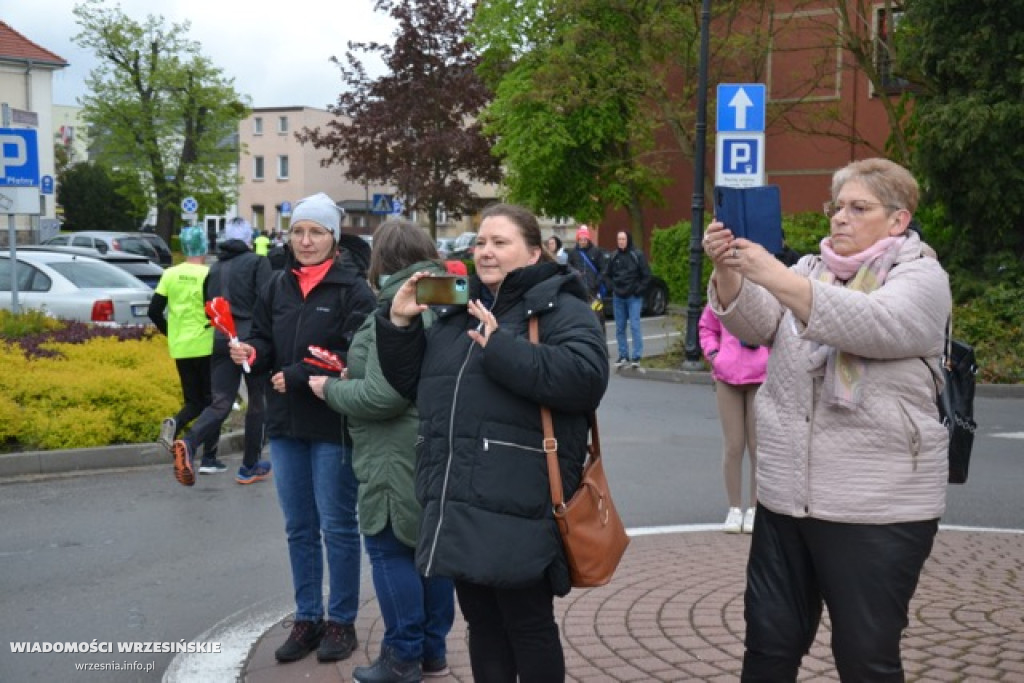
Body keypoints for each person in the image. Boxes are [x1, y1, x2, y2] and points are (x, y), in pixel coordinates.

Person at [703, 158, 951, 681]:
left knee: (864, 658)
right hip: (786, 499)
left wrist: (770, 272)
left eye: (859, 208)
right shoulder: (809, 270)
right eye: (837, 206)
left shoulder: (921, 277)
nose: (840, 218)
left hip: (877, 509)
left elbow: (872, 323)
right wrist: (729, 269)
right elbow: (756, 323)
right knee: (768, 648)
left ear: (898, 220)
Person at [375, 203, 609, 682]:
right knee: (481, 623)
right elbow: (415, 383)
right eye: (480, 242)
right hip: (457, 493)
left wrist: (501, 347)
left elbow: (585, 380)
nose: (485, 251)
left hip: (521, 498)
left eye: (499, 243)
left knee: (528, 625)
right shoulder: (460, 307)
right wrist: (398, 327)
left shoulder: (562, 307)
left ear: (533, 251)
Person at [229, 192, 377, 664]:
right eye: (298, 231)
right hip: (286, 421)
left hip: (331, 420)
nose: (306, 240)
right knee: (299, 527)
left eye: (316, 232)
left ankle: (342, 622)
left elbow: (355, 358)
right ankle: (308, 617)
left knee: (337, 526)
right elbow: (264, 340)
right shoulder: (277, 284)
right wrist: (251, 352)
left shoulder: (354, 290)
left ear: (334, 237)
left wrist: (296, 374)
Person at [310, 220, 456, 683]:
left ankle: (402, 657)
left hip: (393, 451)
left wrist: (330, 389)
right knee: (432, 552)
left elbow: (382, 396)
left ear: (382, 263)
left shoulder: (394, 310)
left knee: (389, 549)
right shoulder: (449, 299)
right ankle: (432, 650)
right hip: (438, 445)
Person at [172, 218, 274, 486]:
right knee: (257, 400)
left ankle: (189, 442)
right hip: (251, 339)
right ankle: (249, 465)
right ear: (248, 239)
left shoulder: (215, 268)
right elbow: (268, 299)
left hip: (221, 339)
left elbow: (209, 303)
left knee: (221, 402)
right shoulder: (257, 262)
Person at [149, 225, 219, 485]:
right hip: (207, 344)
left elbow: (154, 311)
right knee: (214, 402)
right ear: (204, 247)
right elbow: (217, 309)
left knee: (194, 400)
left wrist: (171, 333)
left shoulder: (170, 274)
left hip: (181, 346)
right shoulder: (210, 274)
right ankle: (210, 460)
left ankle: (175, 422)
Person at [699, 304, 769, 533]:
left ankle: (755, 508)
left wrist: (769, 358)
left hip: (760, 376)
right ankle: (734, 508)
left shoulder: (763, 293)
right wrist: (714, 355)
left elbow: (777, 329)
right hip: (727, 376)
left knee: (757, 445)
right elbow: (707, 327)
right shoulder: (721, 296)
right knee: (733, 445)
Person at [604, 230, 651, 368]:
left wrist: (638, 290)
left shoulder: (637, 255)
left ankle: (636, 356)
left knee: (635, 326)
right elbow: (606, 275)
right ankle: (623, 355)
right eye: (619, 239)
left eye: (623, 239)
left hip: (633, 296)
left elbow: (646, 275)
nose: (621, 242)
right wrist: (612, 287)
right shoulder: (614, 256)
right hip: (618, 296)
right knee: (620, 327)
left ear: (628, 240)